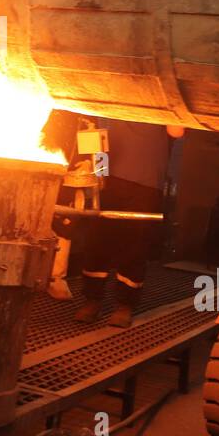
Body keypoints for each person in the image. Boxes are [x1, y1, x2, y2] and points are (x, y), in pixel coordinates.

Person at [45, 114, 181, 328]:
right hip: (108, 178)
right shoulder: (111, 93)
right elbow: (96, 129)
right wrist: (99, 174)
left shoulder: (161, 97)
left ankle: (125, 305)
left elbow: (177, 131)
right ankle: (92, 300)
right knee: (98, 241)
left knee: (135, 244)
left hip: (145, 181)